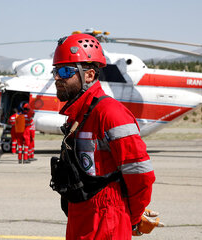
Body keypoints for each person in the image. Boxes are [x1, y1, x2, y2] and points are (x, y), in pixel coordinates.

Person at [51, 34, 156, 239]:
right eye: (55, 71)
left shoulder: (110, 113)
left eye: (65, 71)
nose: (57, 78)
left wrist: (132, 218)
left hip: (105, 222)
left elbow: (141, 174)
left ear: (89, 75)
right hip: (81, 217)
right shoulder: (79, 115)